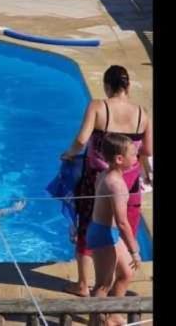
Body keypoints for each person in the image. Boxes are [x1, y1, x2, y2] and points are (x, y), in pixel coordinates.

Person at [60, 65, 152, 297]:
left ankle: (84, 284)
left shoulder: (98, 106)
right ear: (127, 86)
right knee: (123, 228)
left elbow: (82, 139)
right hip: (129, 183)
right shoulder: (142, 113)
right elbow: (148, 150)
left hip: (97, 181)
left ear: (107, 86)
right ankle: (118, 281)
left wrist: (69, 154)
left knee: (88, 226)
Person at [88, 133, 142, 326]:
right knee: (103, 284)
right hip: (103, 235)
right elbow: (122, 222)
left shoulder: (106, 174)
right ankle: (96, 322)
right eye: (133, 154)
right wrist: (134, 250)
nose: (136, 157)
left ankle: (114, 314)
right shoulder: (115, 184)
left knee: (126, 273)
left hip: (108, 233)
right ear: (119, 159)